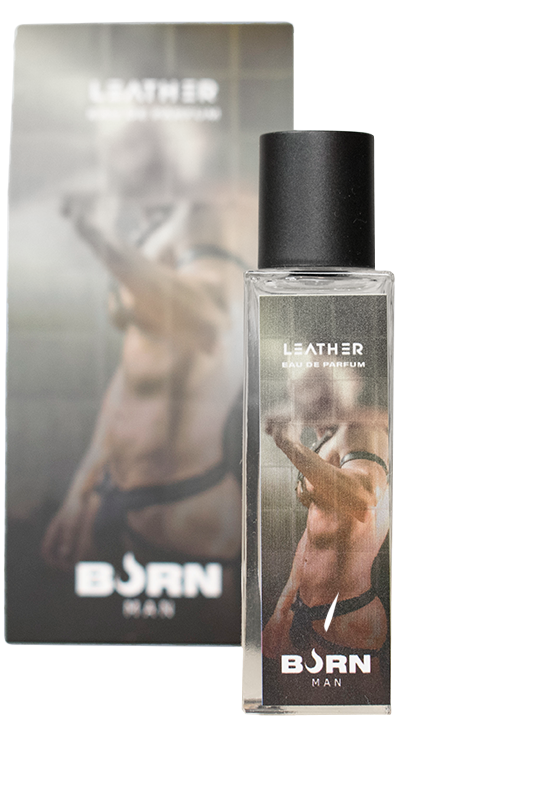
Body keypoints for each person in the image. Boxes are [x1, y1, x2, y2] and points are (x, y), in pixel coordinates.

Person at [40, 122, 250, 572]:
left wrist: (100, 238)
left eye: (132, 142)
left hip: (188, 511)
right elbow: (134, 371)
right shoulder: (154, 230)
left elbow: (209, 321)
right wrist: (83, 485)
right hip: (116, 496)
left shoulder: (209, 218)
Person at [261, 376, 390, 696]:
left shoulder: (361, 432)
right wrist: (283, 608)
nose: (296, 391)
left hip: (348, 618)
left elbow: (363, 499)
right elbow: (314, 534)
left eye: (313, 383)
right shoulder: (328, 442)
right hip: (303, 610)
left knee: (357, 714)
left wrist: (290, 445)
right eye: (297, 384)